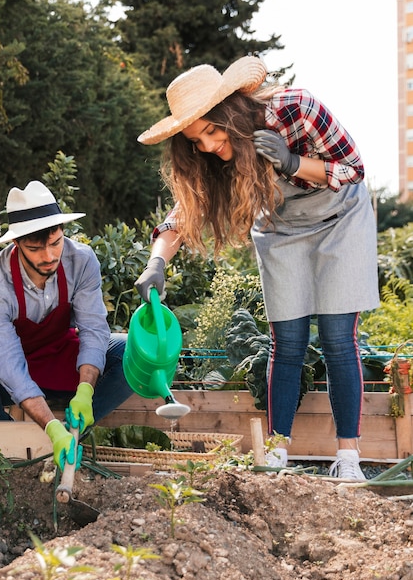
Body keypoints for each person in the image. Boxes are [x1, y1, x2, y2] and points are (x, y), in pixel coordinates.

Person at [134, 56, 379, 480]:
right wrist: (156, 261)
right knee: (287, 341)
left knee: (338, 338)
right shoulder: (209, 157)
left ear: (233, 111)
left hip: (340, 218)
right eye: (197, 139)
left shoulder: (297, 108)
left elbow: (353, 169)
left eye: (212, 131)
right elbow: (183, 214)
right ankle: (278, 452)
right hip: (282, 228)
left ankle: (348, 458)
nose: (208, 146)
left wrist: (291, 162)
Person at [0, 181, 133, 470]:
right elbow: (8, 364)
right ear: (16, 244)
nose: (49, 256)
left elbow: (93, 330)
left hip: (58, 356)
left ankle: (75, 433)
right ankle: (13, 444)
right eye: (35, 248)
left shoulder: (81, 261)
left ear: (63, 232)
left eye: (56, 243)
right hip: (4, 370)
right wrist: (48, 427)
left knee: (130, 351)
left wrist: (86, 391)